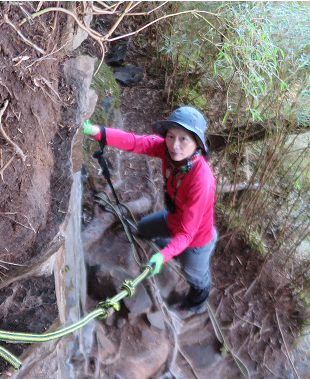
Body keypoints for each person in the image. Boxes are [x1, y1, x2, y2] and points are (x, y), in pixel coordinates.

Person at [83, 106, 217, 314]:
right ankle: (166, 247)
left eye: (184, 139)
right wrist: (95, 131)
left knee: (195, 276)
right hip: (173, 218)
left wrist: (163, 256)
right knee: (144, 228)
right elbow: (135, 142)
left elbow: (187, 233)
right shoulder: (168, 151)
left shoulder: (202, 180)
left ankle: (195, 304)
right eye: (171, 136)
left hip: (197, 238)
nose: (175, 145)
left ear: (197, 143)